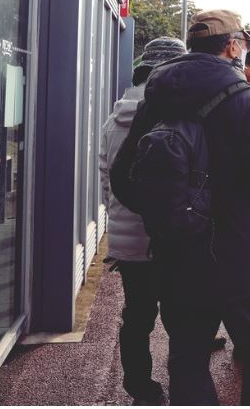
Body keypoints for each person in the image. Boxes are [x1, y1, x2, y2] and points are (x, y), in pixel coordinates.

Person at [110, 10, 250, 405]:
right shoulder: (249, 101)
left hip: (179, 257)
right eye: (242, 45)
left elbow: (124, 178)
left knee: (187, 357)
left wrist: (173, 216)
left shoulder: (156, 100)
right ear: (232, 47)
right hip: (246, 256)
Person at [99, 37, 186, 405]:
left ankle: (140, 387)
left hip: (126, 239)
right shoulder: (171, 115)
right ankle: (185, 380)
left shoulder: (113, 118)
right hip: (167, 235)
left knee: (137, 315)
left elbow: (107, 179)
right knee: (180, 313)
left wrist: (120, 218)